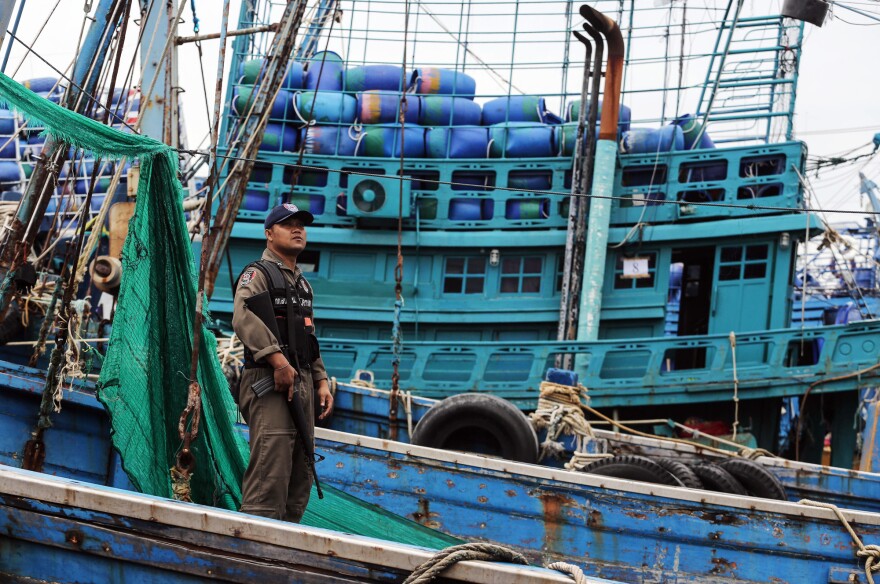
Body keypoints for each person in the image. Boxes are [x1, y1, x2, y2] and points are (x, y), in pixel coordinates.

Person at [232, 202, 334, 522]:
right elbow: (244, 316)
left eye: (301, 224)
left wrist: (320, 380)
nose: (297, 229)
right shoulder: (257, 274)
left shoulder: (302, 285)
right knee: (270, 469)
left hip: (300, 380)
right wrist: (278, 362)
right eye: (288, 224)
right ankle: (256, 540)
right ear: (268, 234)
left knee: (301, 467)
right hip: (269, 381)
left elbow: (308, 336)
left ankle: (287, 537)